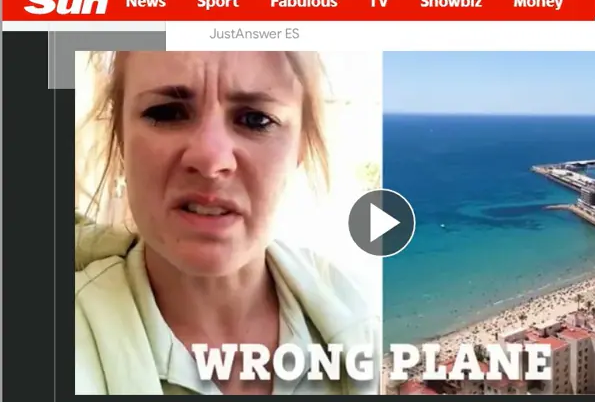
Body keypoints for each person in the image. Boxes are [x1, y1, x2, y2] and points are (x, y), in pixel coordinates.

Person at [74, 51, 380, 395]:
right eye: (167, 112)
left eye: (255, 119)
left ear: (301, 147)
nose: (210, 159)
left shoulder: (373, 319)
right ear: (121, 137)